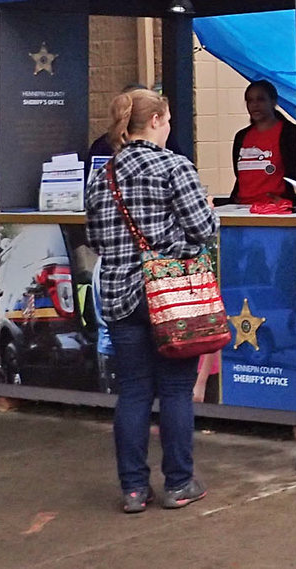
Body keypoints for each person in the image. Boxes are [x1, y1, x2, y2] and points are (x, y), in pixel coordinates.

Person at [83, 88, 216, 513]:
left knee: (135, 392)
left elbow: (95, 239)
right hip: (171, 296)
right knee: (176, 391)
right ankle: (179, 484)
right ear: (156, 119)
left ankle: (134, 490)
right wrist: (193, 225)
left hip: (121, 294)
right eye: (169, 119)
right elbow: (204, 229)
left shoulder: (102, 177)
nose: (170, 126)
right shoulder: (175, 167)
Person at [227, 79, 296, 205]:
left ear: (273, 101)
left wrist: (290, 200)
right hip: (242, 209)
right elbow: (239, 175)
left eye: (260, 99)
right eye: (250, 100)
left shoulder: (290, 133)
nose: (255, 105)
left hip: (276, 209)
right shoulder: (241, 136)